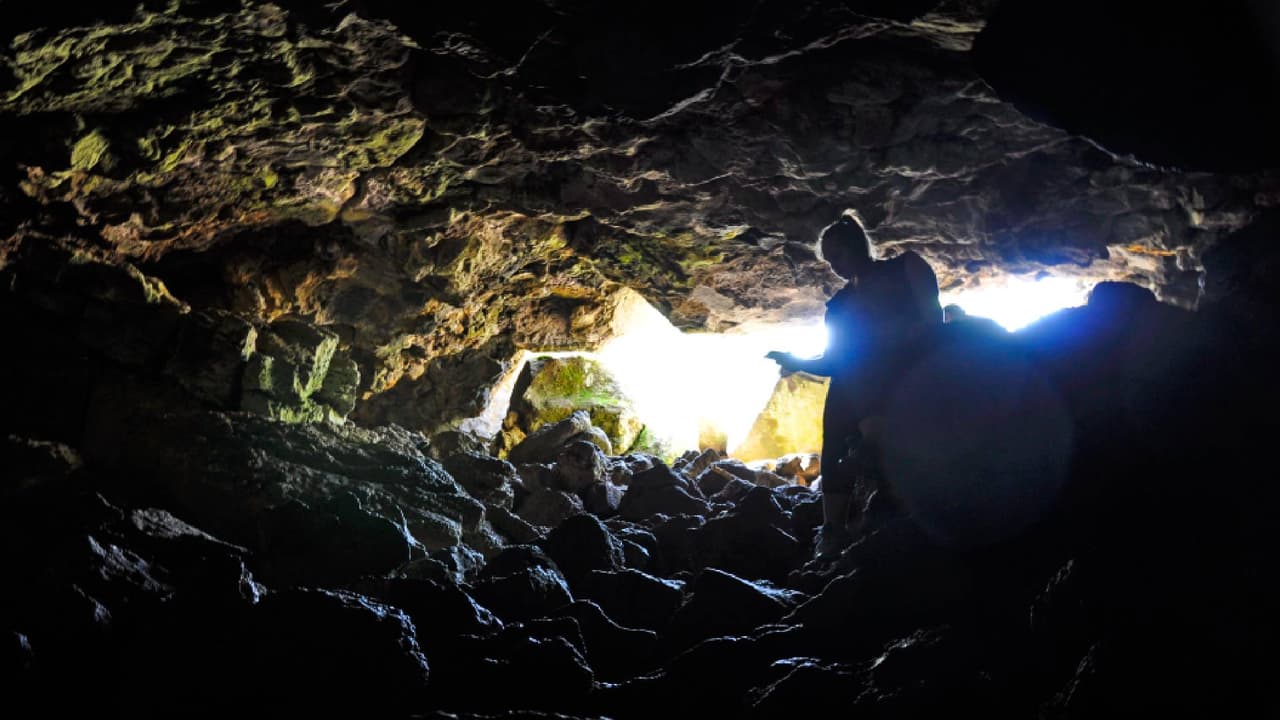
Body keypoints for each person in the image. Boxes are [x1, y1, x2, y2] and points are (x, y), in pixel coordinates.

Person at [767, 213, 942, 558]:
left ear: (858, 246)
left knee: (862, 367)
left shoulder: (906, 267)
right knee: (843, 388)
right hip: (861, 383)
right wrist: (795, 361)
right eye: (829, 261)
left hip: (910, 367)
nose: (835, 266)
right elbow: (834, 361)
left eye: (839, 255)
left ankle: (875, 444)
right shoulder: (838, 306)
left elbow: (934, 322)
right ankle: (832, 527)